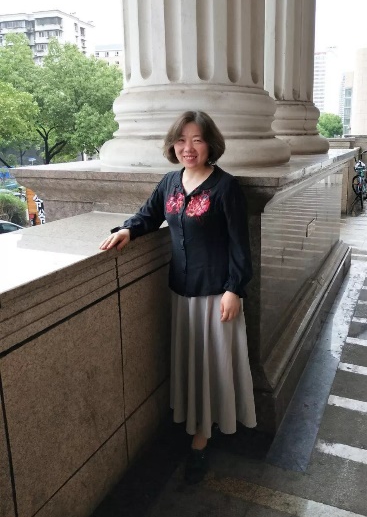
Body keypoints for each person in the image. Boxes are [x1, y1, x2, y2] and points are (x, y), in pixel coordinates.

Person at [99, 110, 256, 484]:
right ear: (173, 145)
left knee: (213, 362)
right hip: (181, 291)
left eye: (197, 140)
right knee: (193, 360)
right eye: (181, 140)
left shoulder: (225, 187)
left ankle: (203, 435)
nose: (189, 148)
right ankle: (196, 420)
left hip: (216, 293)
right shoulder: (170, 182)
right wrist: (128, 230)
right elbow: (149, 215)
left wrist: (235, 289)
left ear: (210, 144)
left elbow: (240, 246)